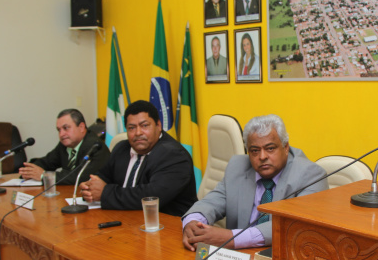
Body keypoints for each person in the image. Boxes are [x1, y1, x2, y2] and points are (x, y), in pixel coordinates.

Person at [182, 114, 328, 250]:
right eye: (254, 150)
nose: (262, 156)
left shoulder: (311, 175)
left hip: (284, 259)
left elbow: (294, 226)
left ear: (285, 147)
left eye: (270, 148)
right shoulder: (237, 167)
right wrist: (193, 222)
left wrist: (231, 238)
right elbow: (211, 202)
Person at [79, 100, 197, 216]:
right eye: (131, 128)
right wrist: (90, 187)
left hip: (168, 225)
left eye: (144, 125)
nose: (138, 133)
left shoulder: (174, 154)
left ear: (158, 125)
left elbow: (151, 197)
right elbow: (104, 176)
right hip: (127, 219)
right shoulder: (121, 148)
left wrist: (105, 193)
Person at [19, 109, 110, 185]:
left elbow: (79, 177)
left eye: (66, 128)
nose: (61, 134)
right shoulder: (65, 144)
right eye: (59, 130)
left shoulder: (95, 146)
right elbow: (47, 162)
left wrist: (44, 175)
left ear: (81, 127)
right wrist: (29, 171)